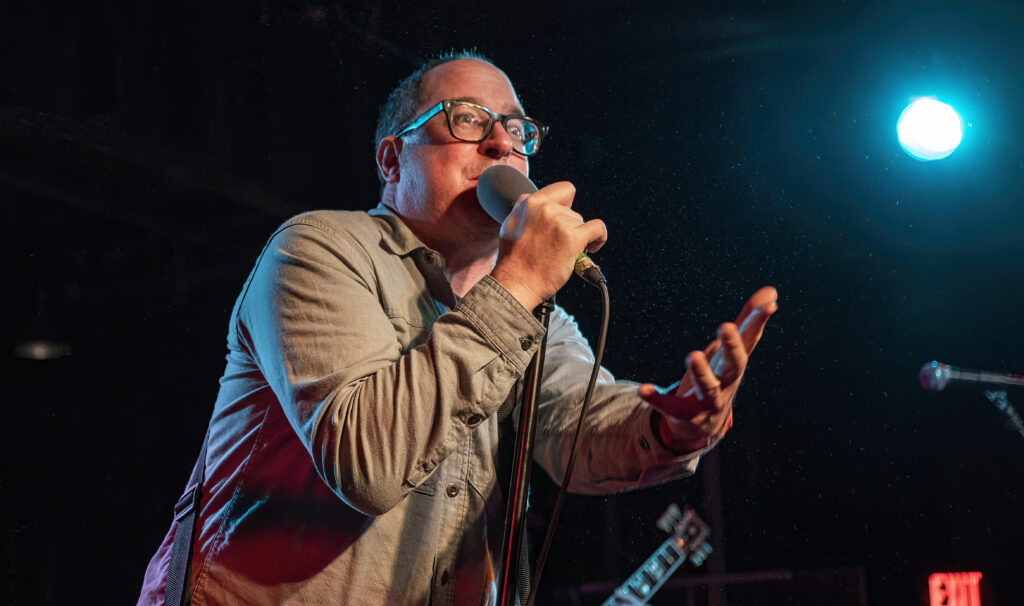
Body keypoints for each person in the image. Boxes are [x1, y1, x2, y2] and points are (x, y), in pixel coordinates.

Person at [138, 50, 778, 606]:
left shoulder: (530, 310)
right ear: (393, 160)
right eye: (468, 119)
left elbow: (576, 428)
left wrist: (669, 426)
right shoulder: (318, 249)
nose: (502, 144)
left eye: (516, 128)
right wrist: (519, 286)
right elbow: (366, 463)